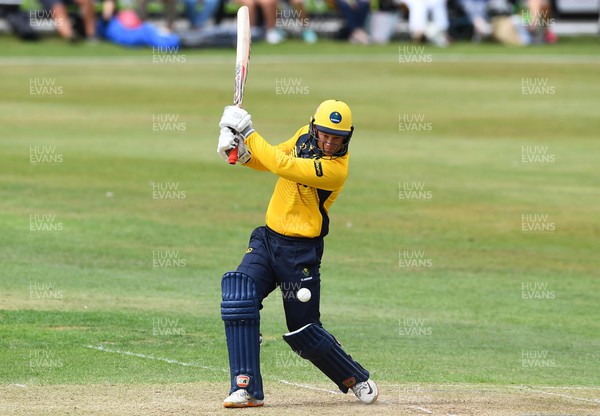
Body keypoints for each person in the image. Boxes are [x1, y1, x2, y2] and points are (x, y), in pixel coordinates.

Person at [216, 100, 379, 408]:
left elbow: (284, 166)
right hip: (267, 239)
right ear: (314, 128)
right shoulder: (304, 135)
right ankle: (246, 387)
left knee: (304, 332)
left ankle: (353, 377)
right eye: (325, 134)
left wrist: (247, 130)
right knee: (239, 296)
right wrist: (241, 152)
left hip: (300, 253)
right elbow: (272, 157)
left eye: (337, 137)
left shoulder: (334, 170)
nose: (330, 142)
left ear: (347, 138)